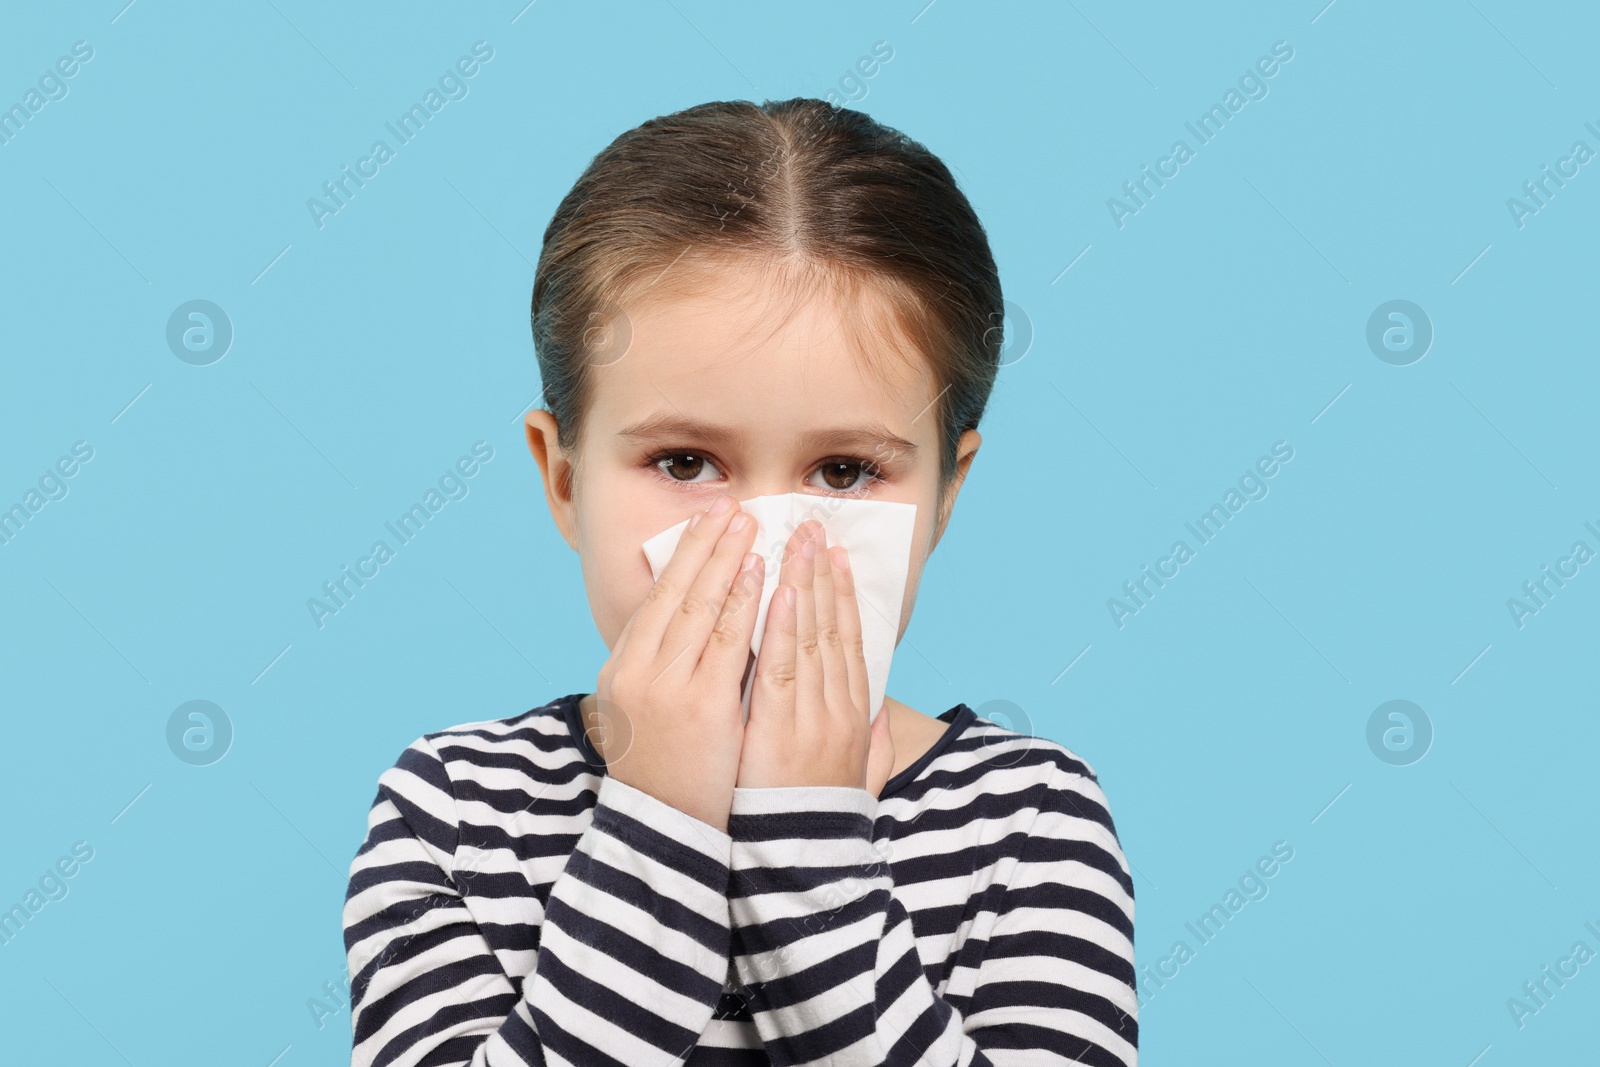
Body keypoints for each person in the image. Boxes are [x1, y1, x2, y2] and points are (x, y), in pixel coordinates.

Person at [343, 97, 1137, 1066]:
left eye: (843, 472)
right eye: (684, 463)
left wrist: (802, 840)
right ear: (562, 480)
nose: (759, 548)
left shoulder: (1025, 819)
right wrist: (659, 811)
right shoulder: (460, 811)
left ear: (942, 497)